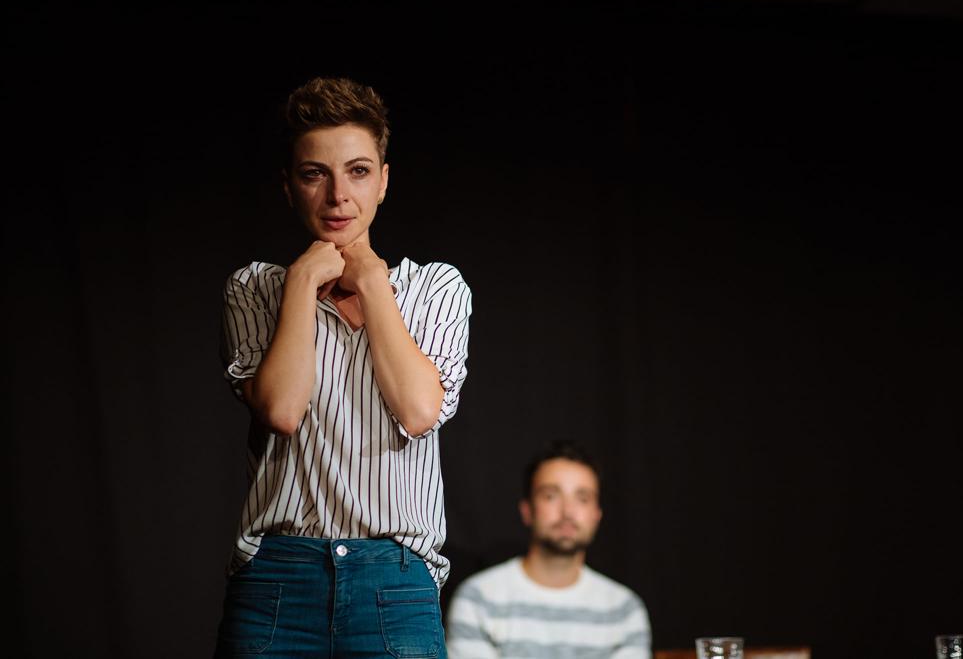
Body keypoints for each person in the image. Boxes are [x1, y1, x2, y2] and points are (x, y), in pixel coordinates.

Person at [216, 77, 472, 658]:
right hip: (277, 579)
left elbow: (418, 410)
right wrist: (301, 283)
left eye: (358, 171)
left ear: (383, 181)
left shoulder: (434, 287)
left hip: (395, 583)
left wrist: (373, 280)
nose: (338, 196)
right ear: (289, 186)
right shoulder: (256, 288)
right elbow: (282, 410)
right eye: (315, 174)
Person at [446, 440, 651, 658]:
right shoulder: (478, 600)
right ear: (527, 510)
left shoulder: (625, 610)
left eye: (583, 498)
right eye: (551, 496)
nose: (568, 512)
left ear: (597, 515)